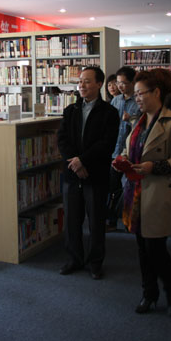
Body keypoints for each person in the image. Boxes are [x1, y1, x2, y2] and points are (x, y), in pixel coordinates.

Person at [117, 69, 171, 317]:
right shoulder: (138, 122)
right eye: (136, 94)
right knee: (142, 249)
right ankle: (149, 293)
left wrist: (154, 167)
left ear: (157, 92)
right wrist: (123, 160)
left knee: (156, 250)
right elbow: (130, 151)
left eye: (141, 93)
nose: (137, 98)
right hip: (136, 193)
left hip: (157, 192)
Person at [57, 66, 119, 279]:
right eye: (80, 81)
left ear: (99, 84)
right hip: (72, 174)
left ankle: (95, 263)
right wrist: (76, 163)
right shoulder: (70, 110)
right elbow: (62, 140)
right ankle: (74, 259)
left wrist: (83, 161)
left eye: (87, 81)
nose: (81, 85)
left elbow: (107, 143)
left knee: (96, 221)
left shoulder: (109, 112)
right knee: (72, 221)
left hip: (96, 174)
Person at [107, 66, 141, 230]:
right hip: (115, 151)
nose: (120, 86)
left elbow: (142, 127)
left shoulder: (139, 102)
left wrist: (131, 120)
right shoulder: (115, 101)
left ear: (133, 82)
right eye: (118, 82)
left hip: (131, 153)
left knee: (130, 188)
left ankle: (130, 220)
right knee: (113, 188)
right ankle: (112, 221)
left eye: (124, 83)